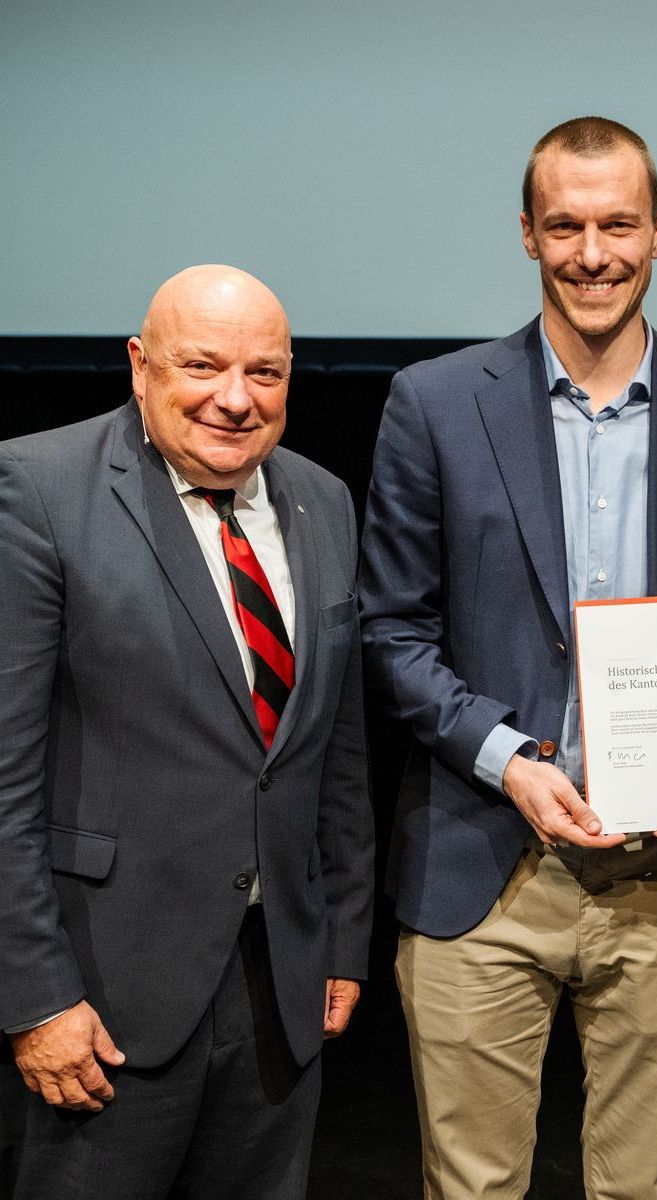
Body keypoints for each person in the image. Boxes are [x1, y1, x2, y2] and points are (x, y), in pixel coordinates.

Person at [358, 116, 657, 1200]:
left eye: (617, 224)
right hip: (481, 867)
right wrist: (509, 759)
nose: (592, 252)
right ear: (527, 234)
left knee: (641, 1190)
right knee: (470, 1188)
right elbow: (390, 628)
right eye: (566, 225)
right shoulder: (433, 402)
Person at [0, 265, 375, 1199]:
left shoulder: (321, 499)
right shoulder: (38, 488)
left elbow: (336, 749)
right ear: (140, 364)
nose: (235, 400)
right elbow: (4, 777)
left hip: (278, 985)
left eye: (267, 372)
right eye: (202, 366)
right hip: (105, 992)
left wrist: (340, 938)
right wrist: (36, 995)